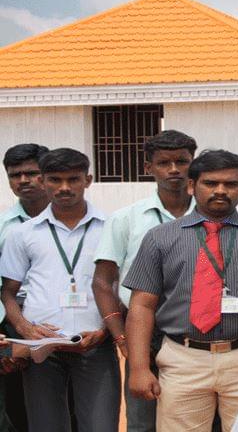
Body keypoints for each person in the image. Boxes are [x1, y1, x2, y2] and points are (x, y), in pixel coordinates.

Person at [122, 149, 238, 431]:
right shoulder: (160, 237)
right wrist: (139, 368)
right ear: (192, 186)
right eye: (211, 183)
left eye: (231, 184)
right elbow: (142, 305)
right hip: (183, 358)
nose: (221, 191)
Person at [0, 148, 120, 432]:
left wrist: (106, 331)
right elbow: (8, 292)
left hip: (96, 345)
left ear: (88, 180)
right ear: (43, 181)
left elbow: (123, 287)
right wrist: (26, 329)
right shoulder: (23, 233)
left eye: (73, 179)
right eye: (55, 179)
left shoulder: (111, 227)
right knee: (45, 426)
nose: (64, 188)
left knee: (100, 426)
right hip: (42, 349)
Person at [91, 130, 197, 432]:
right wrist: (123, 340)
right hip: (143, 332)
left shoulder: (209, 216)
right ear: (148, 167)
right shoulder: (127, 218)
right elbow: (102, 282)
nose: (174, 169)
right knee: (143, 419)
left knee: (196, 418)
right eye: (164, 163)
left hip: (197, 331)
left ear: (193, 164)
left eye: (182, 161)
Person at [0, 143, 50, 432]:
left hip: (60, 320)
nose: (23, 181)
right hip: (14, 320)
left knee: (66, 400)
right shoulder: (4, 225)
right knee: (18, 404)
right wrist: (18, 326)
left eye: (31, 173)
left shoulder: (74, 220)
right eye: (14, 174)